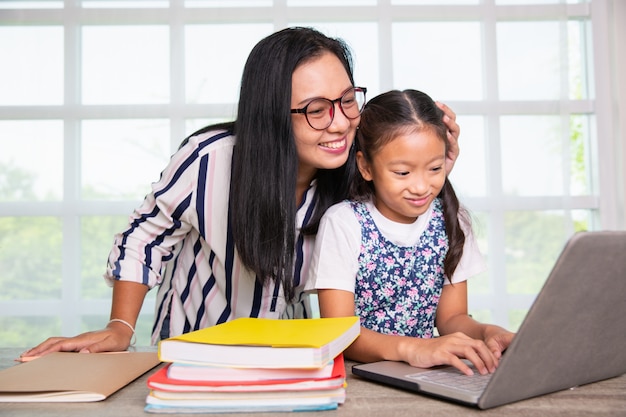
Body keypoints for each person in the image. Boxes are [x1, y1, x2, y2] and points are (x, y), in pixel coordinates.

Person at [21, 28, 460, 358]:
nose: (341, 122)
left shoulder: (355, 167)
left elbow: (404, 211)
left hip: (293, 361)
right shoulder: (210, 159)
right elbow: (144, 238)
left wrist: (430, 167)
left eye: (348, 99)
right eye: (316, 110)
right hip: (192, 356)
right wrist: (120, 326)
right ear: (272, 113)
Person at [307, 89, 514, 376]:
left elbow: (452, 318)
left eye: (434, 168)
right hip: (359, 379)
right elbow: (339, 332)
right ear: (366, 166)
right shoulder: (344, 223)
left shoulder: (453, 220)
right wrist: (413, 348)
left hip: (426, 375)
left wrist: (486, 332)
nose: (420, 187)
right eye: (403, 173)